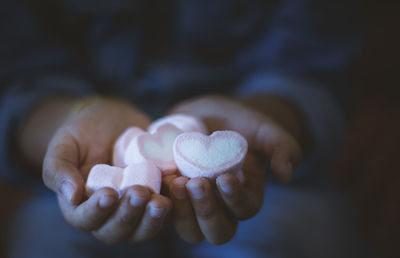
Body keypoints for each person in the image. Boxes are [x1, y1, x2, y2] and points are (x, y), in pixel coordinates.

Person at [0, 0, 369, 257]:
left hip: (266, 174)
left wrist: (260, 114)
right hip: (85, 164)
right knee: (50, 237)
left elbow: (316, 69)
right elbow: (19, 78)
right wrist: (71, 118)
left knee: (288, 231)